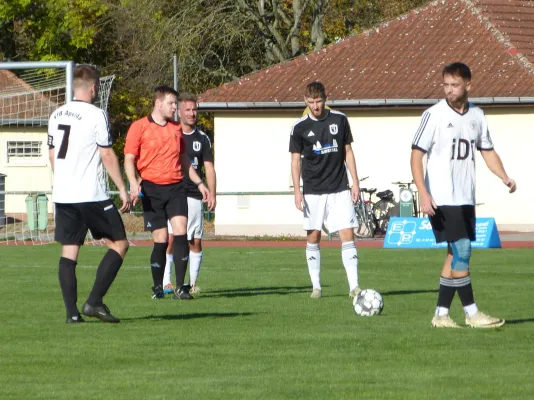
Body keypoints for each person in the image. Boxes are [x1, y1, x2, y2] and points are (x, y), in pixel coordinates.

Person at [411, 62, 517, 328]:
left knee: (453, 254)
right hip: (441, 197)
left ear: (468, 85)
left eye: (454, 85)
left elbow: (487, 151)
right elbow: (416, 156)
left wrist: (503, 176)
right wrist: (423, 193)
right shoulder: (433, 115)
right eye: (445, 85)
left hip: (464, 197)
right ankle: (472, 313)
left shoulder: (477, 116)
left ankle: (441, 315)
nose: (449, 90)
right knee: (462, 250)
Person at [48, 64, 131, 324]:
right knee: (119, 243)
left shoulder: (56, 114)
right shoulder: (97, 114)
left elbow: (52, 154)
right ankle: (94, 302)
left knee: (69, 251)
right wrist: (121, 187)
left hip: (63, 194)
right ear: (95, 88)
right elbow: (106, 153)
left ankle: (71, 314)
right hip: (90, 194)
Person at [124, 85, 210, 300]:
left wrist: (200, 183)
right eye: (172, 103)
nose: (175, 107)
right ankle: (157, 288)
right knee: (161, 239)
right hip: (152, 189)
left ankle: (182, 288)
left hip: (176, 188)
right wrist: (134, 183)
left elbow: (183, 159)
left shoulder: (175, 128)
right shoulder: (139, 127)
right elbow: (129, 159)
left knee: (181, 232)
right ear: (158, 103)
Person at [289, 81, 361, 299]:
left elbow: (348, 151)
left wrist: (355, 181)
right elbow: (295, 161)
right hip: (313, 190)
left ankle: (354, 287)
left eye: (318, 101)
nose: (315, 106)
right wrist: (297, 191)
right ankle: (316, 287)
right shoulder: (299, 128)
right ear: (305, 101)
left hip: (339, 187)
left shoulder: (339, 119)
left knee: (347, 233)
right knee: (313, 236)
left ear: (325, 98)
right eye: (311, 102)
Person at [162, 93, 216, 295]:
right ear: (179, 111)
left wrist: (212, 193)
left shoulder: (202, 138)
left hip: (194, 195)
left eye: (195, 110)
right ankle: (167, 282)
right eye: (188, 110)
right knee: (171, 238)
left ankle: (191, 284)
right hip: (174, 193)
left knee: (195, 241)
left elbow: (209, 168)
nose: (192, 113)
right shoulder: (171, 133)